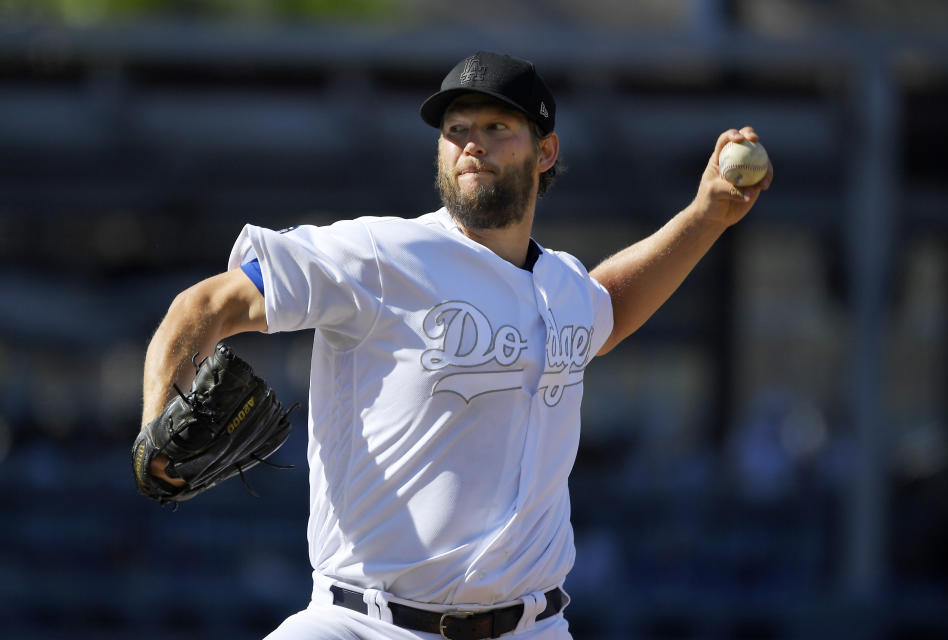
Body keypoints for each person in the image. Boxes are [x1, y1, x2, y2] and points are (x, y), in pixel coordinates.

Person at [141, 51, 772, 639]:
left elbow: (612, 306)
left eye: (498, 127)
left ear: (546, 151)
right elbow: (206, 305)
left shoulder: (563, 287)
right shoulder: (379, 255)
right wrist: (156, 424)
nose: (472, 143)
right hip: (363, 624)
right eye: (456, 129)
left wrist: (706, 215)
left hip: (533, 626)